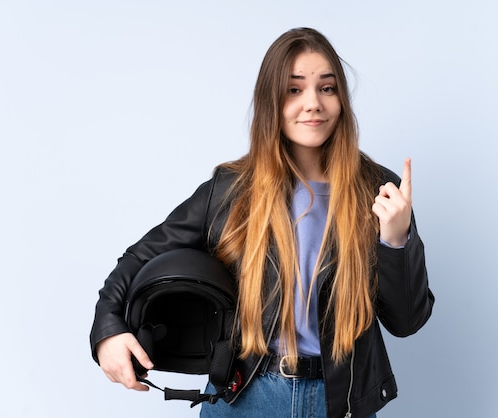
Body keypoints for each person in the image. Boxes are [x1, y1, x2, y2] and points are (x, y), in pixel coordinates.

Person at [90, 27, 434, 418]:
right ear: (271, 100)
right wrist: (108, 330)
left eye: (327, 88)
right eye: (294, 89)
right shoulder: (231, 190)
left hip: (339, 402)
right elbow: (139, 258)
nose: (312, 104)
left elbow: (407, 321)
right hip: (245, 395)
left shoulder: (379, 191)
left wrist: (396, 240)